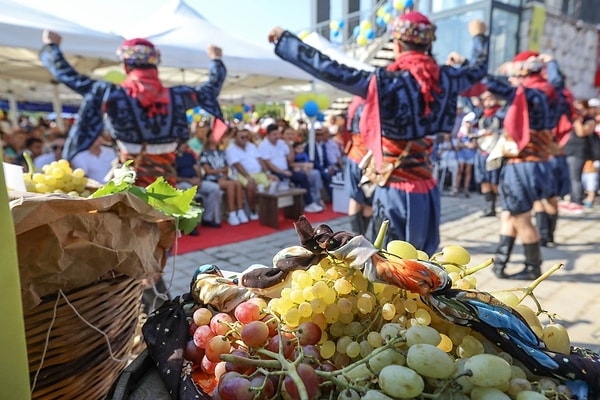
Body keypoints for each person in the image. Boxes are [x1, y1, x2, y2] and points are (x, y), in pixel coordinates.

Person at [268, 13, 489, 255]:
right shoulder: (445, 79)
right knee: (424, 259)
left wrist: (288, 43)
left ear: (396, 44)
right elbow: (477, 69)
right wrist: (479, 36)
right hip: (427, 187)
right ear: (428, 44)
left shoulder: (386, 81)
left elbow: (331, 70)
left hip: (395, 188)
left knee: (390, 262)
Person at [39, 31, 227, 188]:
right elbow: (211, 88)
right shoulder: (178, 96)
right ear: (155, 64)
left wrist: (51, 47)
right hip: (166, 185)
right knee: (165, 226)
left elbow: (71, 78)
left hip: (129, 184)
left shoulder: (112, 94)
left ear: (126, 65)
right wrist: (216, 59)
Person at [484, 51, 562, 280]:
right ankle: (500, 263)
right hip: (539, 164)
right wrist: (553, 62)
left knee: (522, 217)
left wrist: (482, 68)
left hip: (521, 167)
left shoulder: (529, 94)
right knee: (509, 213)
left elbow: (491, 84)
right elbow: (557, 80)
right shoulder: (552, 92)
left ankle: (533, 266)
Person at [258, 123, 323, 213]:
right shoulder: (263, 146)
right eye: (274, 135)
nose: (277, 137)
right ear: (268, 135)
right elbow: (268, 164)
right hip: (275, 171)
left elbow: (290, 159)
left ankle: (309, 203)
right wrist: (283, 172)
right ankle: (301, 205)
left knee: (302, 176)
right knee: (289, 178)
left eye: (278, 134)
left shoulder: (281, 143)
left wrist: (290, 147)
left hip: (286, 169)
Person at [225, 128, 278, 220]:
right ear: (235, 138)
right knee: (251, 185)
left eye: (246, 136)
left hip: (258, 173)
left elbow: (260, 160)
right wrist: (248, 177)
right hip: (241, 175)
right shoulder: (230, 149)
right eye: (242, 137)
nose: (245, 138)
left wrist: (268, 173)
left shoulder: (251, 146)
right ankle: (253, 210)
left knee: (275, 180)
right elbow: (238, 165)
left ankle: (269, 209)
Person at [199, 130, 249, 226]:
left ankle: (240, 210)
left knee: (237, 183)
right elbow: (208, 170)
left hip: (223, 178)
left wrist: (224, 175)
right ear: (208, 138)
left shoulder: (221, 152)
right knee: (230, 185)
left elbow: (226, 168)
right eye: (213, 136)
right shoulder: (205, 153)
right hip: (211, 179)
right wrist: (220, 173)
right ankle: (232, 213)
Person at [174, 142, 222, 230]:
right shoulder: (172, 157)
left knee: (215, 188)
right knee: (187, 189)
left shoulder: (189, 155)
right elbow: (173, 176)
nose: (184, 145)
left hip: (196, 181)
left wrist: (199, 179)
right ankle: (189, 224)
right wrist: (189, 180)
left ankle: (208, 218)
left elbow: (197, 168)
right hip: (182, 182)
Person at [344, 96, 373, 236]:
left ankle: (359, 239)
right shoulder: (367, 103)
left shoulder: (355, 102)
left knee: (364, 199)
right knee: (362, 199)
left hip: (359, 155)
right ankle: (359, 239)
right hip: (365, 157)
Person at [473, 91, 503, 216]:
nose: (489, 101)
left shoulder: (501, 113)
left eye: (491, 98)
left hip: (495, 151)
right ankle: (488, 206)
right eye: (486, 99)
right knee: (483, 179)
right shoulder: (480, 114)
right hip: (482, 150)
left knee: (494, 180)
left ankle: (494, 205)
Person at [454, 111, 478, 197]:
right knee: (460, 170)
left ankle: (466, 188)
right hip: (462, 154)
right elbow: (458, 145)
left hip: (470, 155)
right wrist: (466, 145)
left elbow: (474, 145)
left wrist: (466, 145)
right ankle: (456, 188)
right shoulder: (461, 133)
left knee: (468, 172)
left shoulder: (474, 132)